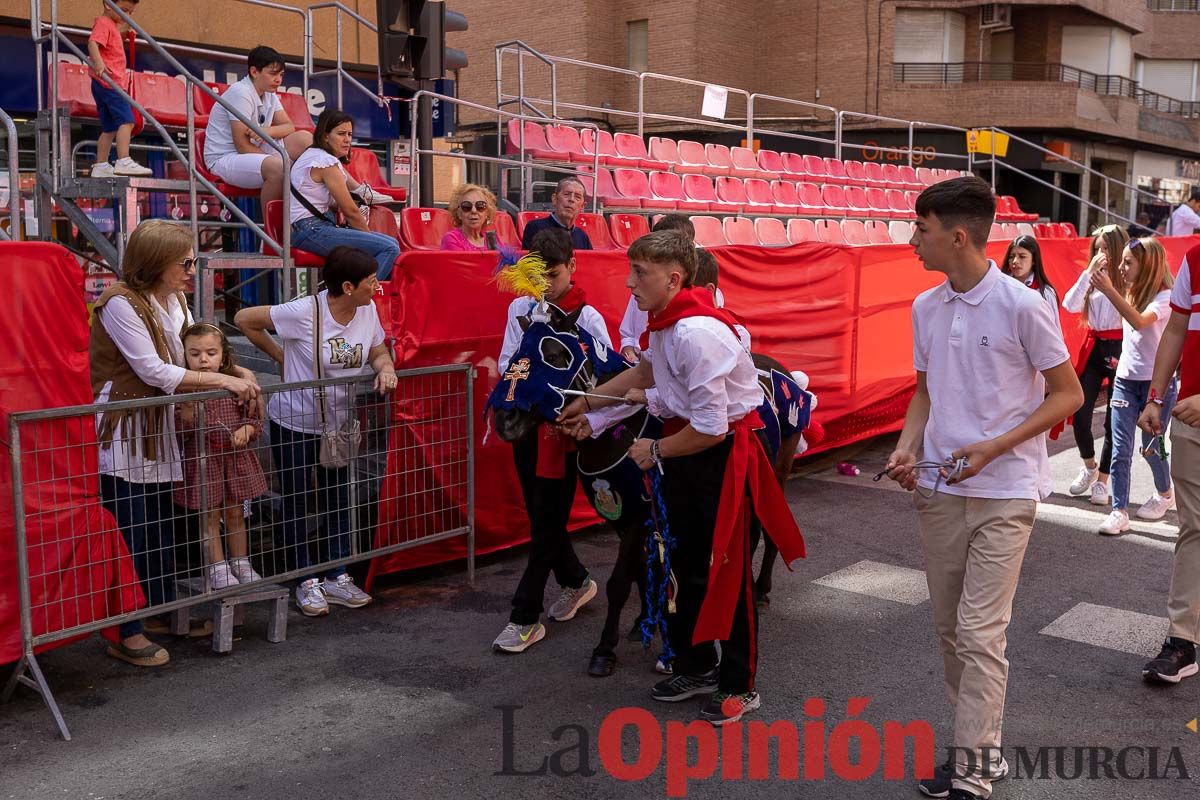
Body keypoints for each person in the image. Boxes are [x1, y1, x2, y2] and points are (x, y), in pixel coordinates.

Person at [885, 177, 1081, 800]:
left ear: (957, 235)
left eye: (921, 228)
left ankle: (971, 762)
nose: (913, 238)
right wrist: (907, 446)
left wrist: (996, 446)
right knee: (950, 629)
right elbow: (924, 393)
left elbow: (1069, 394)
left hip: (1007, 488)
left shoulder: (1024, 305)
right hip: (941, 490)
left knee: (979, 632)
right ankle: (981, 750)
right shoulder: (924, 307)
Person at [559, 230, 805, 726]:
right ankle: (696, 666)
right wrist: (589, 403)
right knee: (680, 565)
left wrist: (655, 448)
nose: (629, 284)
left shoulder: (697, 333)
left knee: (727, 571)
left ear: (674, 278)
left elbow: (713, 428)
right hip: (686, 454)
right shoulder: (667, 324)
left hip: (719, 459)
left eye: (640, 274)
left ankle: (740, 684)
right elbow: (643, 379)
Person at [90, 220, 260, 666]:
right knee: (131, 529)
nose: (192, 268)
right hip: (126, 430)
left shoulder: (174, 298)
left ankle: (157, 612)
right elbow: (154, 371)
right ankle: (125, 629)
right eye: (184, 261)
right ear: (157, 261)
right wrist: (222, 376)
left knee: (157, 527)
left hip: (159, 426)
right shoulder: (119, 303)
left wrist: (237, 369)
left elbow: (192, 349)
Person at [234, 246, 398, 616]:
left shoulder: (367, 309)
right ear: (347, 286)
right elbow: (244, 318)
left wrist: (385, 367)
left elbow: (377, 350)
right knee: (297, 500)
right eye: (371, 281)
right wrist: (280, 356)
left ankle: (337, 575)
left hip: (338, 424)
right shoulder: (304, 311)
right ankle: (305, 580)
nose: (378, 287)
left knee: (339, 497)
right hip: (294, 420)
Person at [492, 228, 601, 654]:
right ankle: (575, 580)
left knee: (548, 520)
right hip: (526, 426)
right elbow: (507, 363)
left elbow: (599, 375)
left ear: (572, 268)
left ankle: (524, 615)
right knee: (540, 518)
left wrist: (558, 393)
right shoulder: (519, 308)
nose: (545, 286)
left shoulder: (587, 317)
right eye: (537, 277)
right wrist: (528, 379)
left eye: (552, 276)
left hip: (563, 432)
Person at [1138, 241, 1200, 684]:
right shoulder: (1195, 259)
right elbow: (1175, 329)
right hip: (1190, 420)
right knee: (1194, 528)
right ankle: (1182, 641)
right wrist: (1156, 396)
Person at [1087, 237, 1178, 534]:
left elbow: (1139, 322)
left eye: (1128, 262)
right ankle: (1119, 511)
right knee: (1120, 449)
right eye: (1122, 261)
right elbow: (1075, 302)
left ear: (1148, 265)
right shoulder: (1129, 290)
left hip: (1157, 386)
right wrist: (1093, 279)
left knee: (1151, 448)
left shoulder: (1165, 298)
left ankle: (1165, 494)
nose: (1122, 267)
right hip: (1125, 381)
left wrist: (1110, 290)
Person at [173, 323, 269, 588]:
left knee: (236, 512)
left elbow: (256, 419)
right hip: (203, 463)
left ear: (223, 356)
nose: (203, 360)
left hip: (234, 460)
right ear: (184, 355)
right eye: (194, 353)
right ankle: (217, 567)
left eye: (211, 353)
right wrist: (188, 416)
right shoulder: (184, 390)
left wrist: (247, 429)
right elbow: (179, 432)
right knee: (210, 516)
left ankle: (241, 562)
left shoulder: (236, 387)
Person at [1059, 225, 1129, 504]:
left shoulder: (1128, 276)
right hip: (1095, 347)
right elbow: (1069, 304)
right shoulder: (1091, 276)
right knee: (1080, 412)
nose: (1101, 254)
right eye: (1097, 248)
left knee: (1114, 421)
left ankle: (1102, 481)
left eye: (1105, 248)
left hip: (1123, 348)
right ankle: (1088, 467)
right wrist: (1088, 274)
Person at [289, 109, 400, 279]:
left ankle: (357, 291)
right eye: (341, 134)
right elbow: (350, 211)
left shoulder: (313, 156)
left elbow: (324, 201)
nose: (347, 140)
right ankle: (359, 298)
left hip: (308, 229)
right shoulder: (325, 163)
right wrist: (367, 239)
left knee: (392, 243)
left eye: (349, 134)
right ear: (325, 136)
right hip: (312, 230)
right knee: (389, 248)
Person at [203, 45, 313, 207]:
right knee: (279, 167)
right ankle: (275, 230)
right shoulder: (240, 92)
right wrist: (281, 159)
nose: (278, 80)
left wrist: (264, 132)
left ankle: (353, 191)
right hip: (224, 158)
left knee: (306, 139)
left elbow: (289, 127)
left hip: (255, 149)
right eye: (273, 74)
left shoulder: (270, 94)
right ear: (254, 72)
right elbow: (242, 146)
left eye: (281, 75)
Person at [619, 214, 697, 363]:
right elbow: (642, 373)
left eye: (640, 272)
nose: (629, 282)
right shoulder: (645, 298)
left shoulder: (693, 334)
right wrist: (628, 349)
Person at [87, 0, 151, 177]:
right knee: (127, 121)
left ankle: (100, 165)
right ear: (108, 4)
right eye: (123, 10)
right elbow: (93, 43)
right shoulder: (103, 22)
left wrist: (123, 36)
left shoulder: (111, 26)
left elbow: (108, 42)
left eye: (130, 12)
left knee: (110, 128)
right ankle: (124, 160)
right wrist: (98, 63)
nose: (126, 16)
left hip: (104, 84)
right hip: (110, 83)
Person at [519, 177, 592, 251]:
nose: (571, 199)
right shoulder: (535, 227)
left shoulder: (582, 236)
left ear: (582, 207)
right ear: (554, 199)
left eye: (577, 197)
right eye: (566, 194)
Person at [1001, 235, 1058, 312]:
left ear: (1034, 260)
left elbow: (1053, 323)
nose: (1015, 261)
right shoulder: (1001, 287)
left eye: (1022, 256)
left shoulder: (1045, 293)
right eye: (1011, 256)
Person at [441, 184, 499, 251]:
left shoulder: (493, 239)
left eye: (480, 206)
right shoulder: (452, 239)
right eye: (466, 207)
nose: (473, 211)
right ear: (458, 213)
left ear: (487, 213)